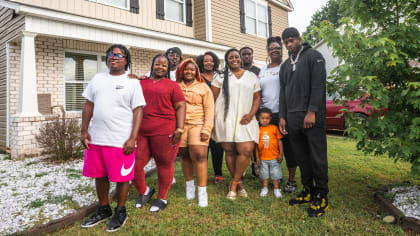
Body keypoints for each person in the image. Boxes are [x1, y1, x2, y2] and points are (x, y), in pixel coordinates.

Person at [80, 44, 145, 232]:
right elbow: (88, 106)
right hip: (97, 138)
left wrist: (133, 138)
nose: (114, 57)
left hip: (121, 138)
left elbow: (138, 110)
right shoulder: (97, 79)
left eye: (119, 55)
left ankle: (121, 210)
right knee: (99, 175)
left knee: (122, 177)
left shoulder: (132, 82)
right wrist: (84, 131)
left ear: (126, 60)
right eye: (111, 54)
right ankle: (104, 208)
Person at [279, 27, 329, 217]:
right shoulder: (285, 65)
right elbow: (283, 93)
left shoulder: (314, 56)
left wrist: (312, 111)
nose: (289, 45)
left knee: (317, 157)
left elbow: (318, 86)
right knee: (302, 158)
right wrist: (283, 116)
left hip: (311, 117)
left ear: (299, 39)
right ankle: (308, 190)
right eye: (286, 42)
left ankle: (322, 195)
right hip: (292, 118)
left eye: (292, 40)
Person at [133, 54, 186, 212]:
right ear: (152, 65)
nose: (160, 67)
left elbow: (181, 106)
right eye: (158, 64)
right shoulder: (140, 83)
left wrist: (180, 128)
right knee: (135, 164)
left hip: (165, 132)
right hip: (141, 131)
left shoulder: (172, 85)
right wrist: (131, 77)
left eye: (164, 65)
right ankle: (145, 191)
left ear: (168, 68)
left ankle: (162, 197)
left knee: (164, 164)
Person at [211, 48, 261, 200]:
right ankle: (238, 185)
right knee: (230, 151)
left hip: (246, 118)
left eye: (237, 57)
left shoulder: (252, 76)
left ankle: (233, 184)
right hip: (226, 118)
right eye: (231, 57)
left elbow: (257, 97)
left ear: (241, 59)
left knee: (246, 150)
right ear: (227, 60)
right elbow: (212, 99)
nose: (234, 59)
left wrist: (251, 115)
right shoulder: (220, 76)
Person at [259, 36, 298, 193]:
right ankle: (276, 175)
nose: (274, 50)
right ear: (268, 51)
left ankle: (292, 180)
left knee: (288, 147)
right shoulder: (262, 70)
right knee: (270, 146)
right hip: (267, 116)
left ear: (282, 50)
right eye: (271, 48)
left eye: (277, 48)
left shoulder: (287, 66)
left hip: (284, 114)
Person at [176, 59, 214, 207]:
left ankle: (202, 192)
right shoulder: (176, 86)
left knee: (199, 155)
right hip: (181, 126)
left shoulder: (203, 87)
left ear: (196, 71)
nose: (189, 72)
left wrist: (207, 129)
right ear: (181, 71)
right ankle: (189, 186)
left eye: (192, 69)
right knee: (184, 155)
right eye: (186, 69)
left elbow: (210, 110)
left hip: (198, 124)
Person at [196, 52, 225, 184]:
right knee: (203, 145)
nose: (209, 63)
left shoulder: (220, 76)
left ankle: (218, 173)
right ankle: (203, 173)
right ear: (202, 62)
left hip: (218, 114)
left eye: (211, 61)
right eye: (206, 61)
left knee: (217, 145)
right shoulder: (197, 77)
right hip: (201, 114)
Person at [255, 108, 283, 198]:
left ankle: (276, 188)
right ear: (259, 118)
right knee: (264, 174)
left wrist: (281, 154)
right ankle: (265, 188)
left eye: (267, 118)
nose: (265, 120)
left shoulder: (274, 128)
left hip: (274, 157)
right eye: (262, 118)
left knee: (275, 173)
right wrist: (257, 157)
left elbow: (279, 141)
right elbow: (256, 146)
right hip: (263, 158)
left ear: (270, 119)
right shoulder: (258, 130)